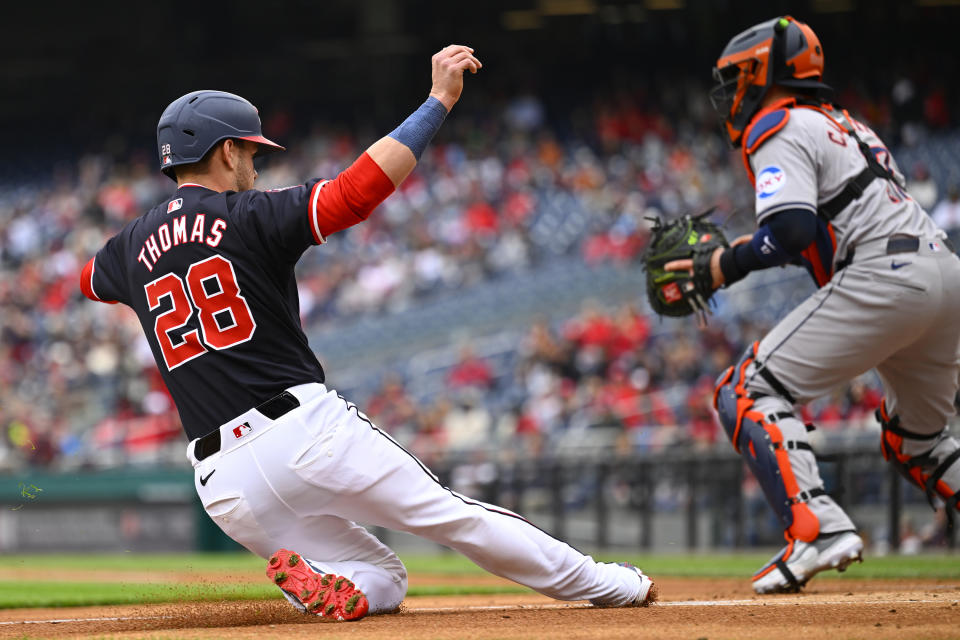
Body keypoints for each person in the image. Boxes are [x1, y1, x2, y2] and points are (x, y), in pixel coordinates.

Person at [79, 45, 655, 622]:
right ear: (227, 150)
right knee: (451, 515)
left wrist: (147, 254)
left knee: (382, 577)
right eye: (251, 151)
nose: (256, 164)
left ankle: (326, 583)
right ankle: (610, 584)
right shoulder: (250, 212)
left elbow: (89, 281)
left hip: (222, 482)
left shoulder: (126, 248)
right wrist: (437, 102)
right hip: (303, 432)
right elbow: (357, 192)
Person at [668, 16, 960, 594]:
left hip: (887, 273)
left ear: (759, 72)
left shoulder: (775, 123)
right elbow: (820, 239)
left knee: (744, 388)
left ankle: (818, 529)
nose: (730, 94)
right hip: (942, 274)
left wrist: (723, 265)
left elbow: (792, 229)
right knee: (920, 440)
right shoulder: (848, 124)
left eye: (734, 79)